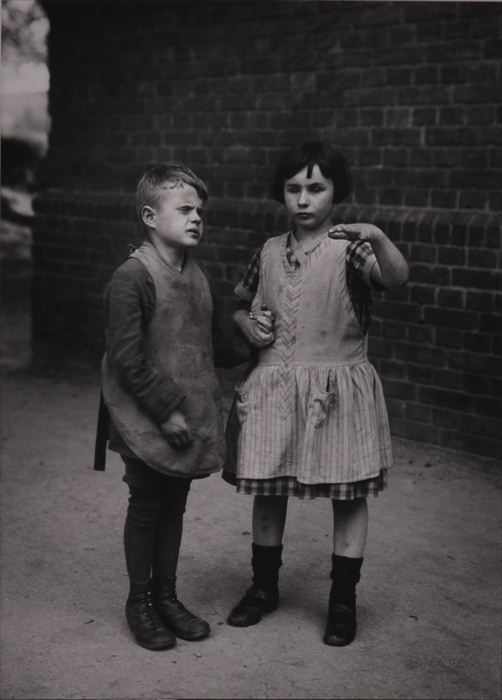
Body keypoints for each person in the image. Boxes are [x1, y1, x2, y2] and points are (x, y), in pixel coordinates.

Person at [222, 140, 409, 646]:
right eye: (293, 189)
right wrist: (249, 324)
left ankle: (342, 601)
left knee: (347, 495)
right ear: (281, 194)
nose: (304, 199)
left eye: (316, 188)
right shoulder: (266, 251)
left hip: (336, 388)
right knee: (268, 488)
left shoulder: (353, 249)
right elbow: (241, 305)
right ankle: (263, 588)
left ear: (335, 192)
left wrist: (379, 237)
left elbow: (395, 279)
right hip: (274, 388)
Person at [98, 162, 229, 651]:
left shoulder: (197, 276)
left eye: (201, 210)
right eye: (185, 209)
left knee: (175, 505)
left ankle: (167, 597)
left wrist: (251, 331)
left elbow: (213, 346)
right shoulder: (133, 276)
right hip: (146, 417)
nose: (197, 217)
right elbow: (126, 358)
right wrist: (165, 410)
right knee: (147, 504)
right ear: (151, 216)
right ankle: (140, 602)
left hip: (186, 416)